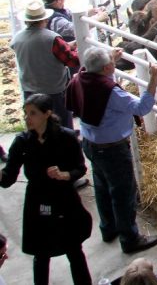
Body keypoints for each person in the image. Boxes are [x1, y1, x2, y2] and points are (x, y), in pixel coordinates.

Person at [71, 46, 157, 254]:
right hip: (112, 149)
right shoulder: (110, 92)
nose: (114, 66)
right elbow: (141, 108)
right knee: (123, 193)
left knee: (102, 186)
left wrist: (109, 62)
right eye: (111, 65)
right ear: (106, 68)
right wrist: (153, 78)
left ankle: (108, 228)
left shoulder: (80, 77)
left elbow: (100, 79)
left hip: (90, 143)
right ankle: (130, 238)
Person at [0, 94, 93, 285]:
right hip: (38, 200)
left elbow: (80, 168)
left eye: (32, 113)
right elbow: (8, 177)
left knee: (74, 250)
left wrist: (64, 175)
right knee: (41, 255)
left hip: (64, 199)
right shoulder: (22, 142)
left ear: (47, 114)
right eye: (25, 113)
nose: (27, 118)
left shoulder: (66, 137)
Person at [10, 2, 78, 129]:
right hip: (54, 90)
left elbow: (38, 50)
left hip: (29, 89)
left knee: (36, 124)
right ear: (45, 19)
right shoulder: (52, 38)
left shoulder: (17, 38)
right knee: (62, 124)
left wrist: (67, 46)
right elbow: (71, 60)